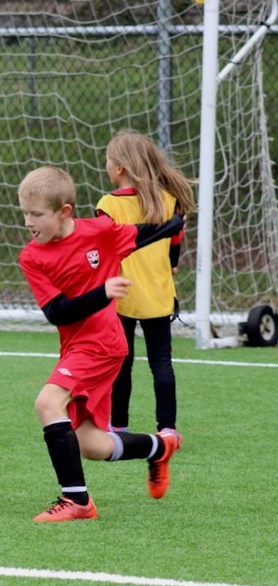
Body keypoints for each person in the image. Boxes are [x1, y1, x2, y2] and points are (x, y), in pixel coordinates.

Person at [18, 165, 184, 522]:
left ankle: (77, 500)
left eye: (36, 214)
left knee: (48, 403)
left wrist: (179, 215)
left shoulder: (101, 231)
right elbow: (58, 312)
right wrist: (103, 291)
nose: (28, 222)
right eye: (25, 213)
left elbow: (146, 232)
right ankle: (159, 447)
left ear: (64, 212)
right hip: (76, 345)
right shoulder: (31, 256)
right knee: (92, 445)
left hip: (104, 343)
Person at [96, 130, 196, 444]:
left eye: (108, 161)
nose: (107, 166)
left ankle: (118, 426)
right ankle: (167, 428)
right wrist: (169, 263)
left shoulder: (108, 205)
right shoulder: (170, 201)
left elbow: (104, 250)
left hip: (122, 296)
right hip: (158, 295)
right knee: (161, 362)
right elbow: (174, 253)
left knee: (121, 362)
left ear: (120, 168)